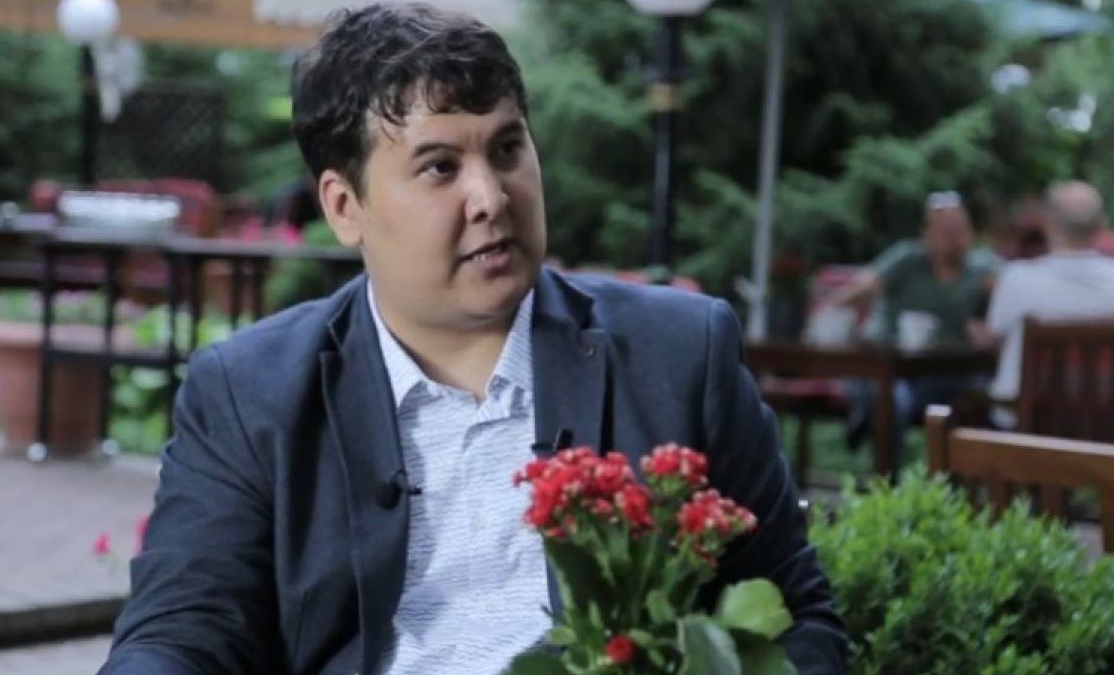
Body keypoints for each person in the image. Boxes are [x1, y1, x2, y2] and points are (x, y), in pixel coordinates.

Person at [98, 5, 846, 674]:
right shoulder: (249, 393)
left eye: (508, 149)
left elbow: (799, 617)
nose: (490, 197)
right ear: (345, 206)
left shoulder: (679, 353)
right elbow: (183, 632)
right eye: (440, 167)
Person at [830, 191, 999, 449]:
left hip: (948, 371)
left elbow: (1012, 299)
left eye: (959, 229)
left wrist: (990, 325)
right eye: (945, 230)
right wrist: (835, 313)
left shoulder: (982, 269)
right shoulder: (907, 259)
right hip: (890, 365)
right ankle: (887, 465)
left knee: (984, 393)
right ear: (927, 233)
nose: (953, 238)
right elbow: (859, 290)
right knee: (891, 397)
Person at [979, 180, 1114, 428]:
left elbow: (994, 337)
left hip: (1029, 429)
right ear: (1100, 226)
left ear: (1048, 223)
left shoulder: (1016, 278)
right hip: (1105, 430)